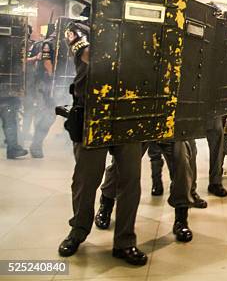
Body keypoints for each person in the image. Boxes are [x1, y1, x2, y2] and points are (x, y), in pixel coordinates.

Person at [58, 21, 148, 266]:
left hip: (128, 112)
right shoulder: (77, 28)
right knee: (86, 180)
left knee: (130, 181)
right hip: (92, 113)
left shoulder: (135, 27)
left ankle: (125, 242)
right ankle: (78, 231)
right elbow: (88, 54)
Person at [94, 140, 202, 243]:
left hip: (170, 124)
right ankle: (106, 203)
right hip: (139, 124)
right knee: (121, 163)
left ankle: (181, 217)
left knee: (182, 159)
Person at [30, 24, 57, 158]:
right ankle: (36, 145)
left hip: (49, 83)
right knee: (47, 115)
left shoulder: (55, 42)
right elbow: (47, 62)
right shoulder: (48, 43)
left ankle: (36, 144)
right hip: (45, 84)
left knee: (49, 115)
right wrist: (53, 78)